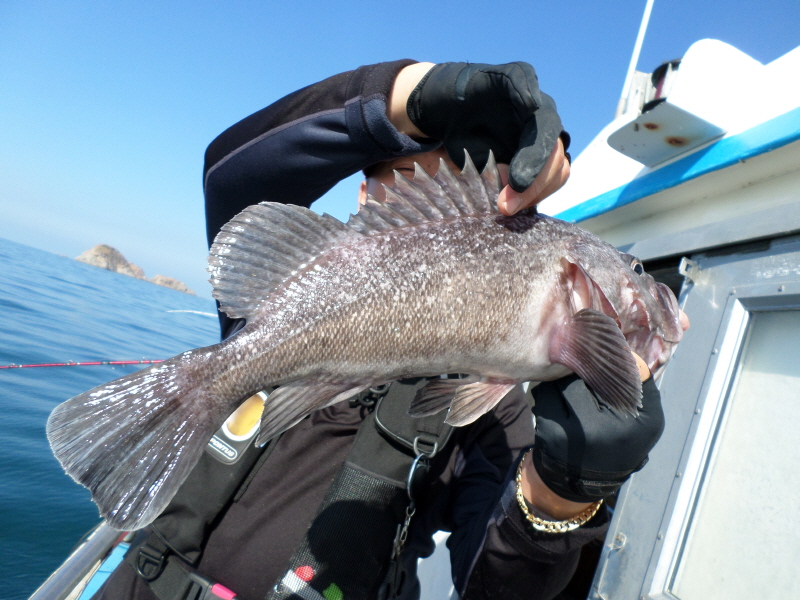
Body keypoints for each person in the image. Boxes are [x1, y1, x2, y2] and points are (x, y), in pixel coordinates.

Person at [93, 60, 675, 600]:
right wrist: (408, 96)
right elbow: (231, 170)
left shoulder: (493, 413)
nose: (441, 215)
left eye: (465, 189)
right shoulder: (286, 299)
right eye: (411, 183)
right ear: (364, 190)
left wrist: (563, 492)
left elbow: (491, 584)